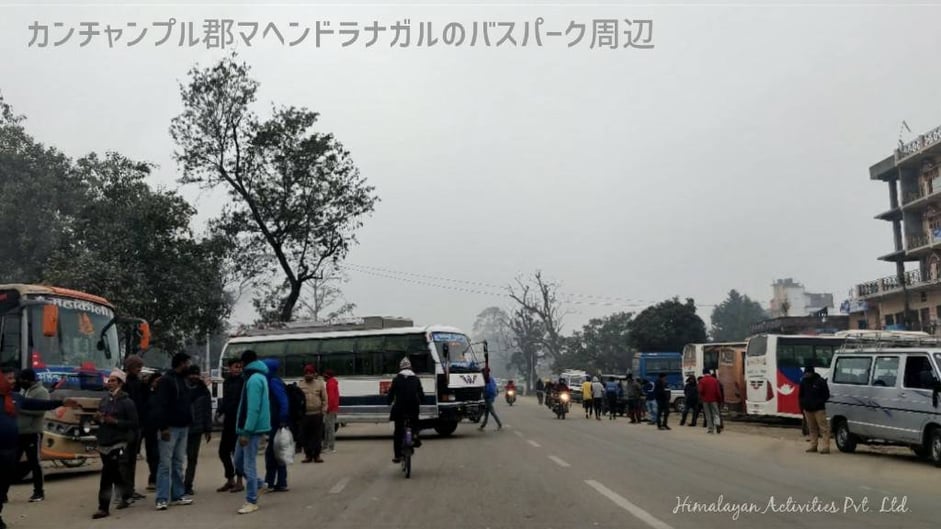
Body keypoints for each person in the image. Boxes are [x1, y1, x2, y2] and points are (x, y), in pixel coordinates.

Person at [1, 367, 80, 529]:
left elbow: (40, 404)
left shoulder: (16, 397)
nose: (14, 381)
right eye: (9, 379)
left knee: (5, 480)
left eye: (13, 378)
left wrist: (61, 402)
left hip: (11, 447)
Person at [92, 369, 139, 519]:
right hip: (104, 441)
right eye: (109, 380)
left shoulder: (127, 402)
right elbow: (100, 419)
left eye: (113, 381)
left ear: (120, 383)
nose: (110, 383)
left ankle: (103, 507)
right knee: (115, 472)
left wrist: (116, 421)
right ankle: (126, 494)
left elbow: (134, 423)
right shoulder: (105, 400)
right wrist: (98, 418)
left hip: (120, 442)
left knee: (106, 474)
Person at [150, 353, 194, 511]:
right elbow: (160, 405)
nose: (188, 366)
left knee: (178, 463)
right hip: (170, 428)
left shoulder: (183, 380)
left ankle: (178, 494)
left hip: (183, 427)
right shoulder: (166, 381)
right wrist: (163, 428)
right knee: (165, 464)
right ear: (181, 364)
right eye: (187, 363)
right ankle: (161, 498)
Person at [233, 350, 271, 514]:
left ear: (244, 363)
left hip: (251, 429)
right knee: (239, 461)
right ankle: (259, 484)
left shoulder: (254, 380)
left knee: (248, 464)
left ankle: (251, 500)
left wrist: (247, 432)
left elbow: (253, 409)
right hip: (246, 427)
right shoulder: (254, 377)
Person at [16, 368, 48, 503]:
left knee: (34, 463)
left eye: (23, 380)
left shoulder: (42, 392)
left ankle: (39, 492)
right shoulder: (24, 390)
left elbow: (40, 411)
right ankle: (3, 493)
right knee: (9, 462)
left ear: (30, 380)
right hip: (18, 432)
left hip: (33, 432)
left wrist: (20, 408)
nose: (20, 382)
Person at [388, 357, 424, 463]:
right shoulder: (416, 379)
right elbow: (421, 394)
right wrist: (422, 400)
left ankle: (397, 455)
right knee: (415, 423)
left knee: (398, 432)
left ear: (400, 368)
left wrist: (388, 401)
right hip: (413, 408)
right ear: (410, 367)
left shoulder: (396, 379)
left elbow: (391, 394)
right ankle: (415, 436)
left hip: (399, 409)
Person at [121, 355, 148, 501]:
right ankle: (124, 490)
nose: (139, 369)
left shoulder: (138, 382)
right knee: (125, 460)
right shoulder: (124, 383)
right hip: (127, 427)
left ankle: (130, 489)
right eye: (137, 366)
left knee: (132, 460)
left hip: (137, 426)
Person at [216, 358, 245, 493]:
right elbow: (226, 400)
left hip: (239, 421)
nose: (238, 369)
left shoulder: (244, 382)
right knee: (223, 452)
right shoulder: (227, 382)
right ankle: (230, 479)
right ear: (230, 368)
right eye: (235, 367)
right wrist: (220, 411)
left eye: (239, 367)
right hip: (228, 421)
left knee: (237, 453)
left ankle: (240, 481)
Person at [261, 358, 289, 493]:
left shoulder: (273, 382)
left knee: (273, 453)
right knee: (277, 453)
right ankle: (279, 482)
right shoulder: (272, 380)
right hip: (275, 422)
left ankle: (271, 482)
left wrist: (282, 419)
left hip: (277, 423)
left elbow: (283, 401)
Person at [184, 365, 212, 496]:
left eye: (196, 374)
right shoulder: (182, 388)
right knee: (177, 459)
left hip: (197, 430)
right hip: (182, 428)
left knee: (192, 458)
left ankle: (188, 484)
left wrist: (208, 429)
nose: (194, 376)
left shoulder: (203, 390)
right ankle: (177, 484)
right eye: (192, 374)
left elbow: (207, 411)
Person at [798, 365, 831, 454]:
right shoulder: (803, 382)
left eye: (807, 373)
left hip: (819, 409)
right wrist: (803, 406)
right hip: (808, 409)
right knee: (812, 428)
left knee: (823, 428)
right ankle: (813, 445)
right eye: (805, 373)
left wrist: (819, 402)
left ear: (811, 372)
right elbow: (800, 396)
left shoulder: (820, 381)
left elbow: (826, 395)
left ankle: (826, 447)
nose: (806, 375)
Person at [297, 364, 327, 464]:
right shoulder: (300, 385)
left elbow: (324, 399)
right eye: (306, 373)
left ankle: (317, 455)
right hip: (305, 415)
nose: (308, 375)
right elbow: (296, 400)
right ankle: (308, 455)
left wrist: (323, 410)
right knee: (306, 436)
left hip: (317, 414)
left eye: (310, 373)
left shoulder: (320, 384)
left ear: (314, 374)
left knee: (317, 436)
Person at [143, 372, 162, 491]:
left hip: (160, 429)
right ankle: (153, 477)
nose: (157, 384)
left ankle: (155, 479)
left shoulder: (164, 396)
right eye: (156, 381)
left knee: (158, 455)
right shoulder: (147, 394)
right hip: (149, 429)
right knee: (150, 455)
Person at [698, 369, 722, 434]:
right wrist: (719, 399)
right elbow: (718, 391)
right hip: (714, 400)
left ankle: (710, 429)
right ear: (709, 373)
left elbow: (700, 390)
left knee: (708, 415)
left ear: (703, 373)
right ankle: (717, 425)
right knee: (716, 413)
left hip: (705, 400)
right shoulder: (715, 380)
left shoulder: (701, 381)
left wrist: (701, 397)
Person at [323, 370, 339, 453]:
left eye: (324, 376)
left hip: (331, 409)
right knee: (328, 428)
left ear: (327, 376)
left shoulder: (330, 384)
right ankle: (326, 446)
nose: (323, 378)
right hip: (333, 408)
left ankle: (330, 447)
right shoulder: (332, 382)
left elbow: (331, 398)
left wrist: (328, 408)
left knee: (330, 428)